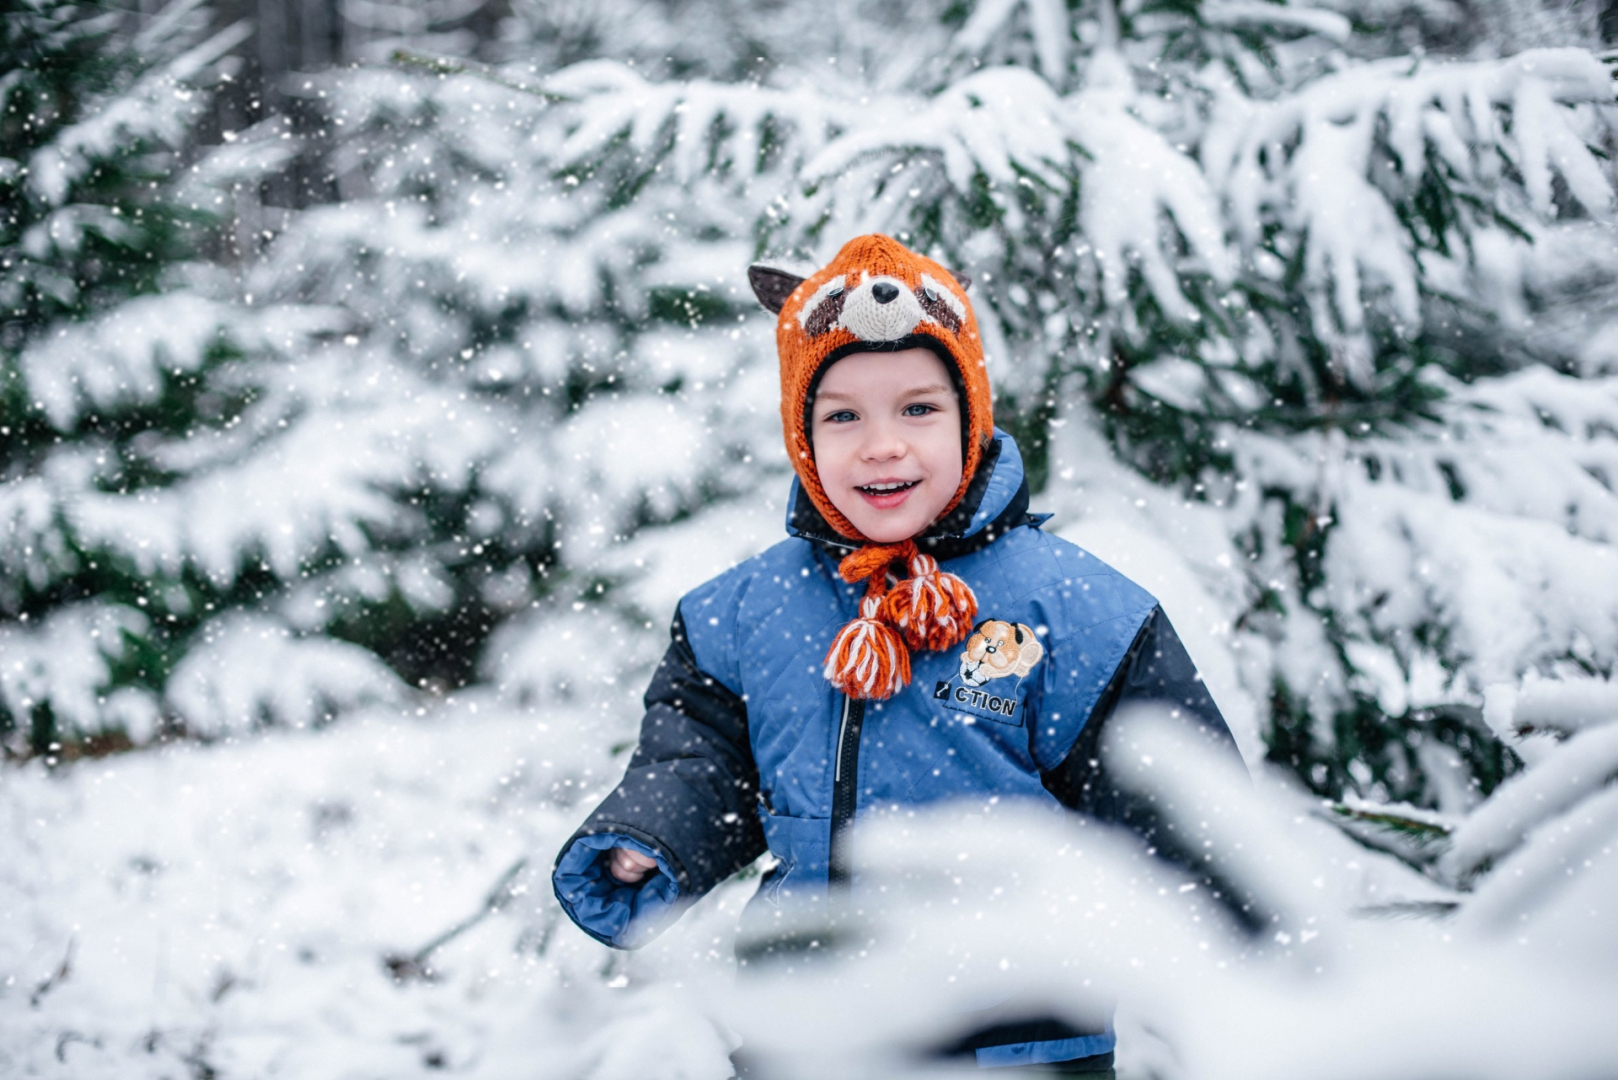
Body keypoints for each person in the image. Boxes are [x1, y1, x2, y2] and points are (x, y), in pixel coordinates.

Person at [552, 234, 1240, 1075]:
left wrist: (1229, 954)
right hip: (809, 1025)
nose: (882, 445)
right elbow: (705, 759)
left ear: (971, 417)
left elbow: (1179, 800)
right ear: (802, 437)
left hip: (1023, 1033)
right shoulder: (744, 614)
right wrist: (656, 834)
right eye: (843, 415)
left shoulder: (1074, 609)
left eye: (919, 409)